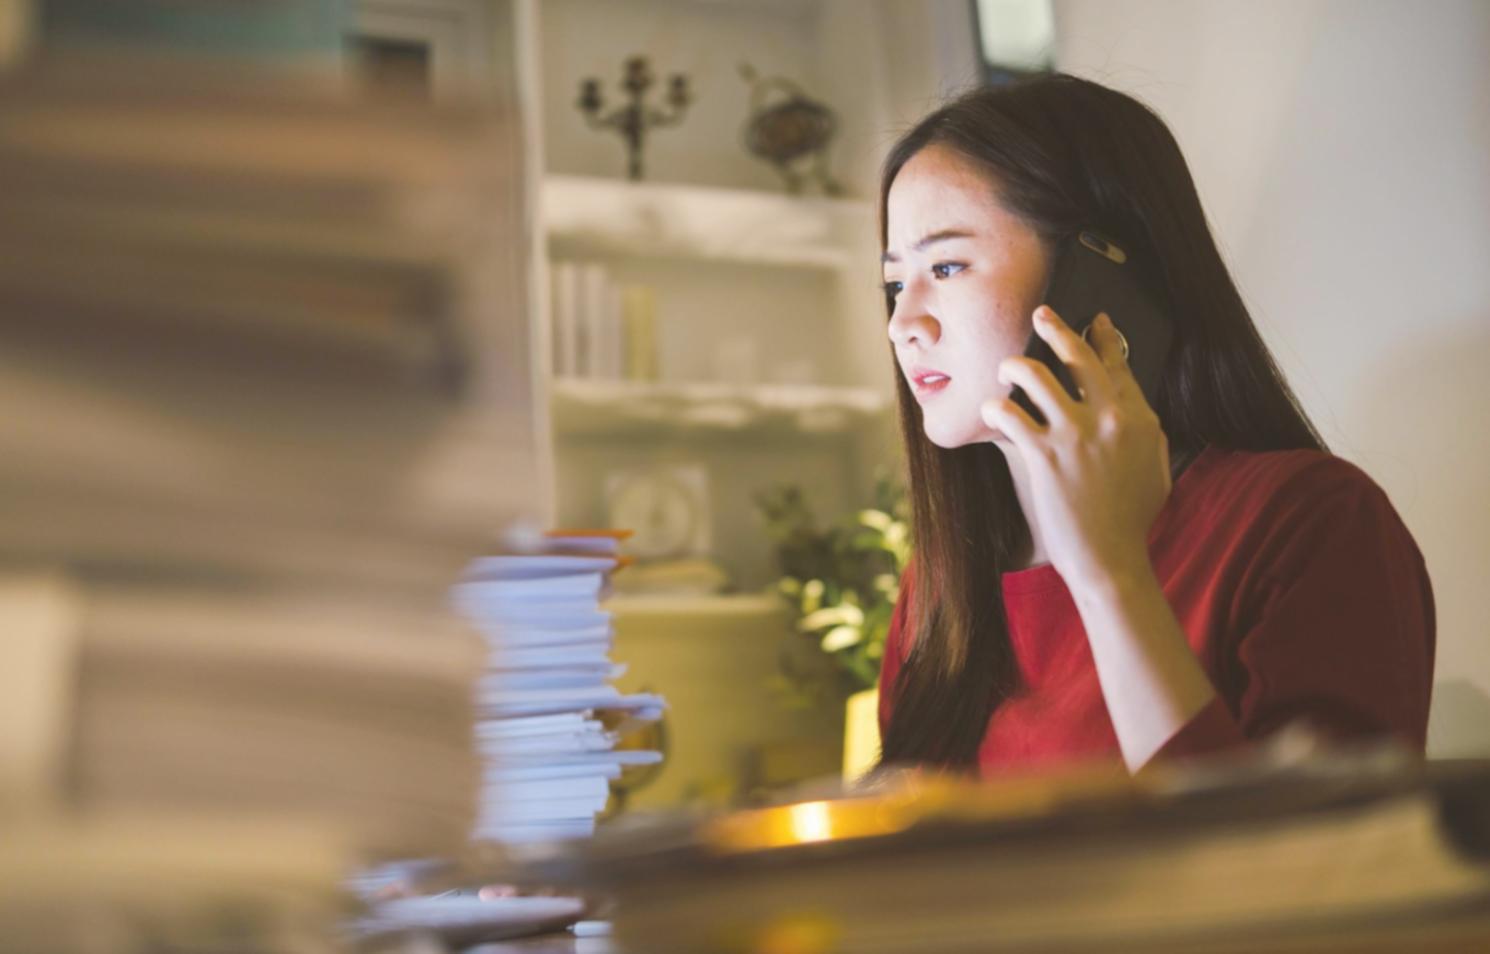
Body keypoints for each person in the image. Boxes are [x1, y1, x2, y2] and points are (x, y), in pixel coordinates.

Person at [874, 74, 1434, 775]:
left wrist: (1110, 574)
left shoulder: (1308, 520)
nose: (902, 323)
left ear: (1098, 279)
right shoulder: (937, 588)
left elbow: (1303, 841)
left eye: (948, 266)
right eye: (895, 283)